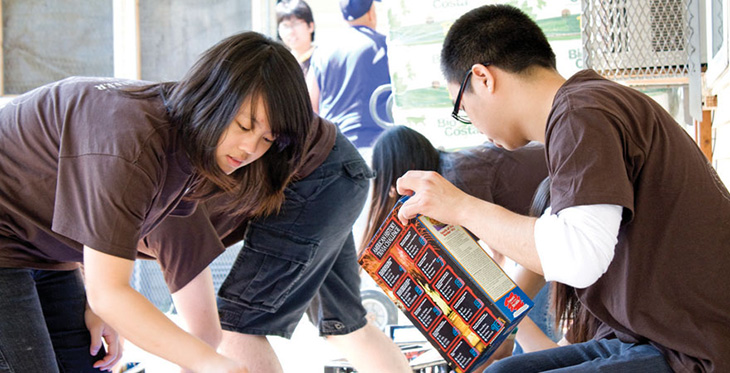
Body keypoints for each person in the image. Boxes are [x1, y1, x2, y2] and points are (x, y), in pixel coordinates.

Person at [395, 4, 730, 372]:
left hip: (694, 348)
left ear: (483, 78)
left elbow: (578, 255)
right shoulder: (583, 109)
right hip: (656, 338)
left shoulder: (581, 112)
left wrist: (460, 207)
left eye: (461, 107)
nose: (470, 124)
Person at [0, 31, 314, 373]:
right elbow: (111, 293)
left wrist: (106, 300)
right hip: (7, 239)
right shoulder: (134, 144)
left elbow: (116, 249)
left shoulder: (195, 151)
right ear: (214, 97)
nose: (250, 149)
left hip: (45, 250)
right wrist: (208, 361)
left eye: (268, 139)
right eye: (243, 126)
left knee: (86, 362)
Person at [140, 115, 412, 373]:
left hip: (309, 174)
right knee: (344, 325)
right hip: (333, 163)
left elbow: (203, 333)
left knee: (236, 325)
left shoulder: (151, 205)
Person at [363, 125, 557, 368]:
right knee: (515, 337)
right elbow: (495, 253)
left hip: (551, 229)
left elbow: (476, 279)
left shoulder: (456, 183)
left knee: (533, 345)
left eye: (391, 183)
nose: (393, 191)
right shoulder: (453, 170)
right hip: (540, 229)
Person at [306, 0, 390, 149]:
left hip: (335, 146)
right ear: (371, 12)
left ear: (343, 17)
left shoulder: (322, 51)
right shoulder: (385, 46)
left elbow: (311, 105)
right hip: (379, 146)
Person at [276, 0, 316, 75]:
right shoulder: (280, 63)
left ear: (311, 26)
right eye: (285, 25)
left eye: (296, 24)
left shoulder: (322, 61)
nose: (291, 31)